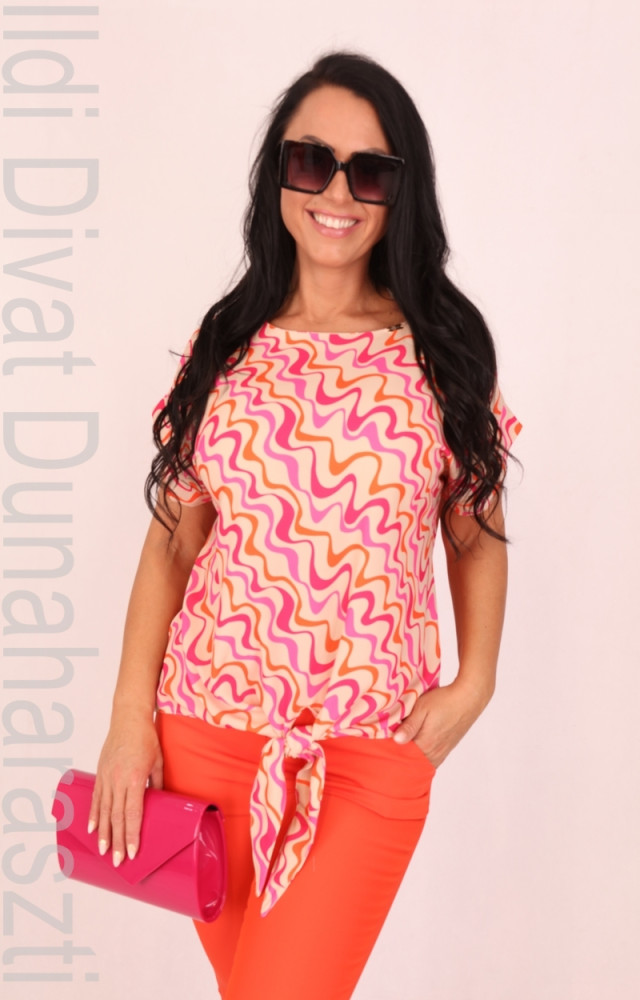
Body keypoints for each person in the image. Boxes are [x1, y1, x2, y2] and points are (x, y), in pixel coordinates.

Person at [90, 51, 521, 1000]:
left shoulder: (443, 353)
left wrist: (476, 681)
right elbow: (172, 540)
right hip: (202, 734)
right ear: (277, 174)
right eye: (311, 161)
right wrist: (128, 722)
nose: (336, 193)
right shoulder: (226, 344)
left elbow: (473, 528)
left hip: (367, 755)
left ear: (402, 192)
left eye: (370, 172)